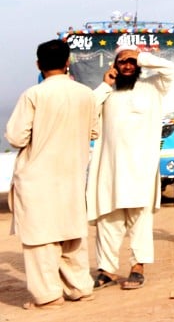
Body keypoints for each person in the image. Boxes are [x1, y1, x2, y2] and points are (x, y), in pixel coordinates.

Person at [5, 40, 97, 310]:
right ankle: (80, 288)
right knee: (72, 235)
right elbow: (94, 131)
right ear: (68, 62)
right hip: (72, 175)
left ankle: (48, 296)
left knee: (40, 239)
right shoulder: (85, 93)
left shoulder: (33, 94)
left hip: (38, 177)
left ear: (38, 65)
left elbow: (15, 136)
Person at [86, 44, 174, 291]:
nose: (126, 65)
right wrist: (105, 85)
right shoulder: (107, 93)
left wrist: (141, 56)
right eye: (122, 61)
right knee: (108, 220)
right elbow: (87, 109)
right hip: (110, 169)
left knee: (139, 220)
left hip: (140, 169)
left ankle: (138, 268)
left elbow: (173, 70)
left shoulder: (153, 87)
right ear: (114, 65)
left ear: (138, 66)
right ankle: (106, 270)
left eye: (131, 62)